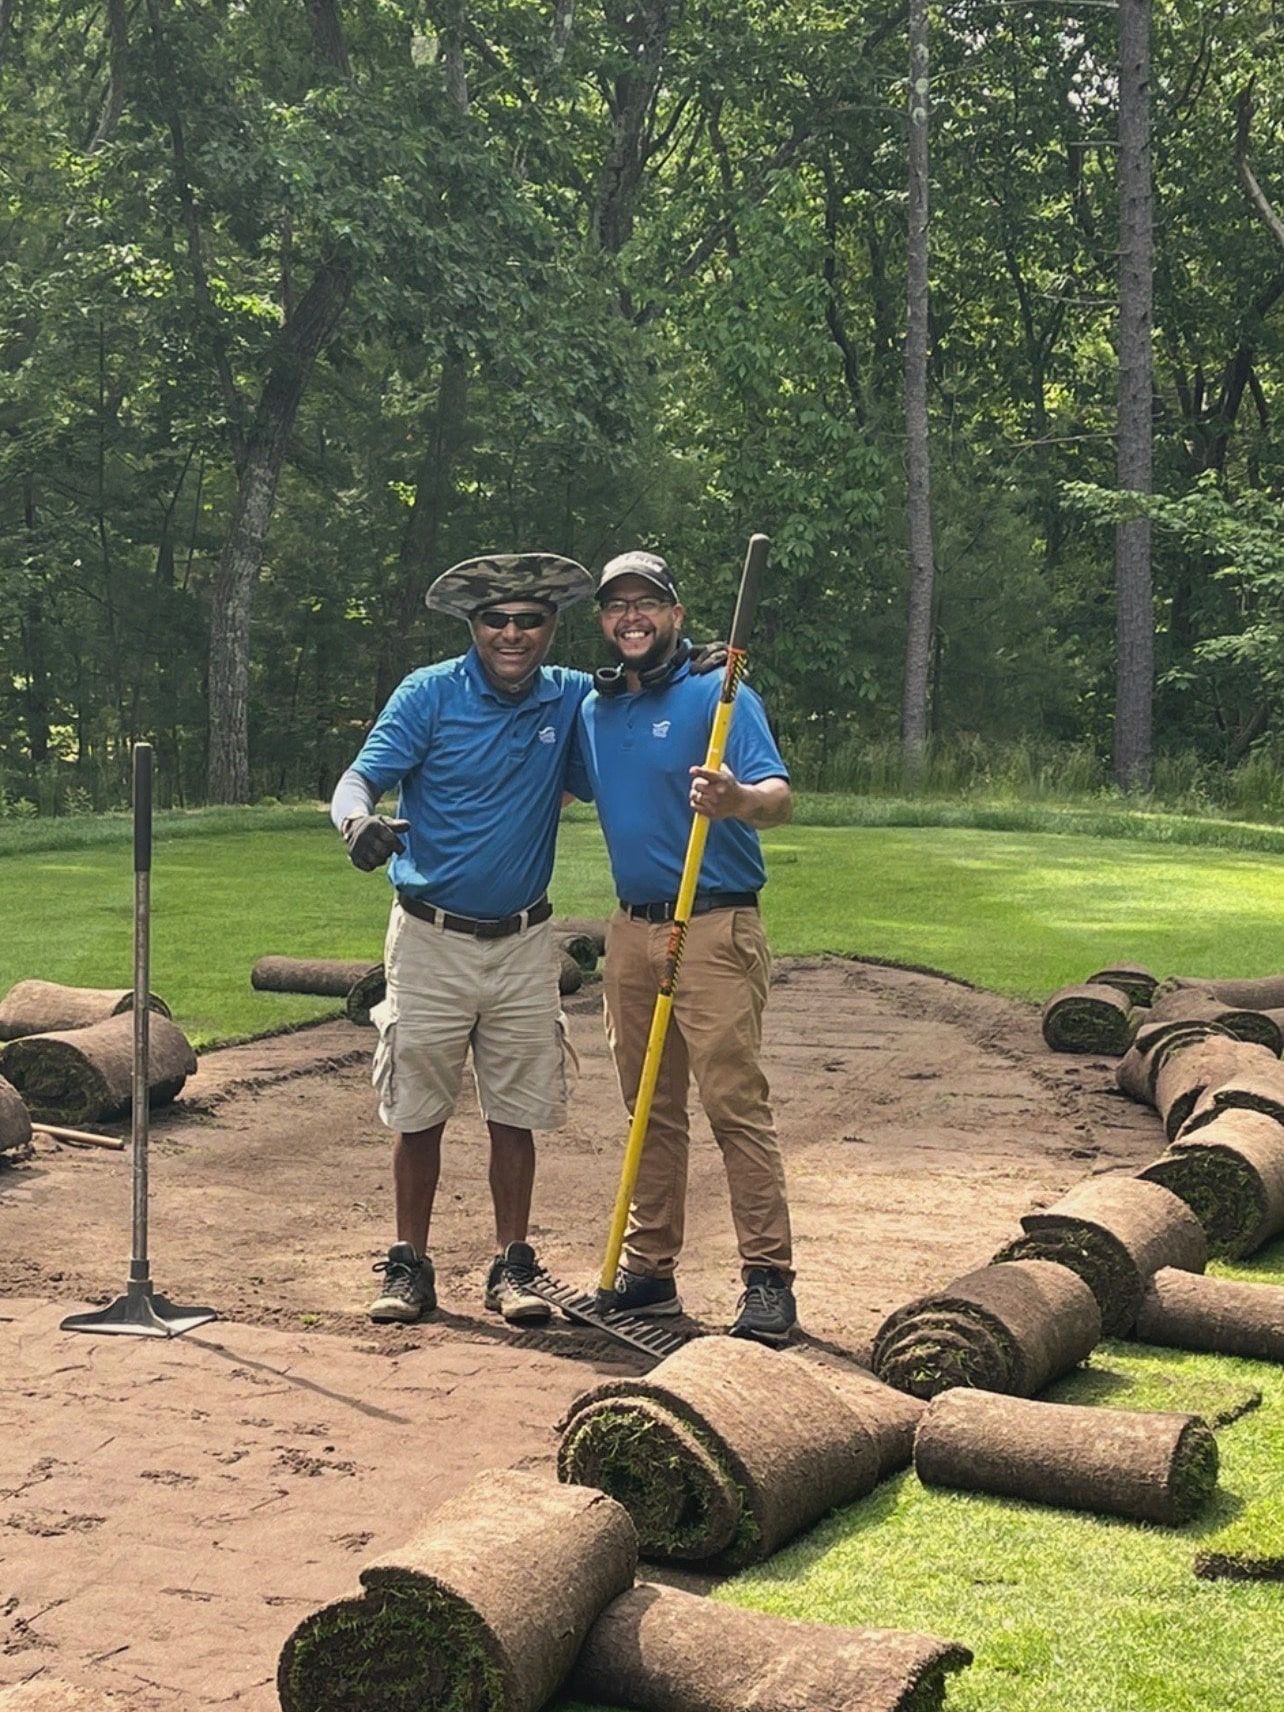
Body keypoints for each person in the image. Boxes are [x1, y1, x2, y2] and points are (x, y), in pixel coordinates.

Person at [330, 552, 596, 1327]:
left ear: (551, 626)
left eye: (530, 619)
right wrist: (356, 823)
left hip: (523, 940)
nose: (512, 634)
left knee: (516, 1111)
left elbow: (646, 700)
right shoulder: (430, 693)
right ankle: (410, 1262)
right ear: (473, 626)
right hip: (429, 935)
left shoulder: (572, 698)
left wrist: (695, 666)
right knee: (418, 1109)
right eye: (496, 620)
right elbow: (358, 778)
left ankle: (513, 1266)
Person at [575, 550, 798, 1345]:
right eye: (615, 607)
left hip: (711, 924)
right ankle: (648, 1274)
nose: (630, 618)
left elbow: (778, 797)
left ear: (673, 612)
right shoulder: (596, 711)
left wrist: (736, 799)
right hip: (631, 930)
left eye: (646, 604)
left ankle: (768, 1280)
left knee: (734, 1103)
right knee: (649, 1110)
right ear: (603, 621)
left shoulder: (722, 694)